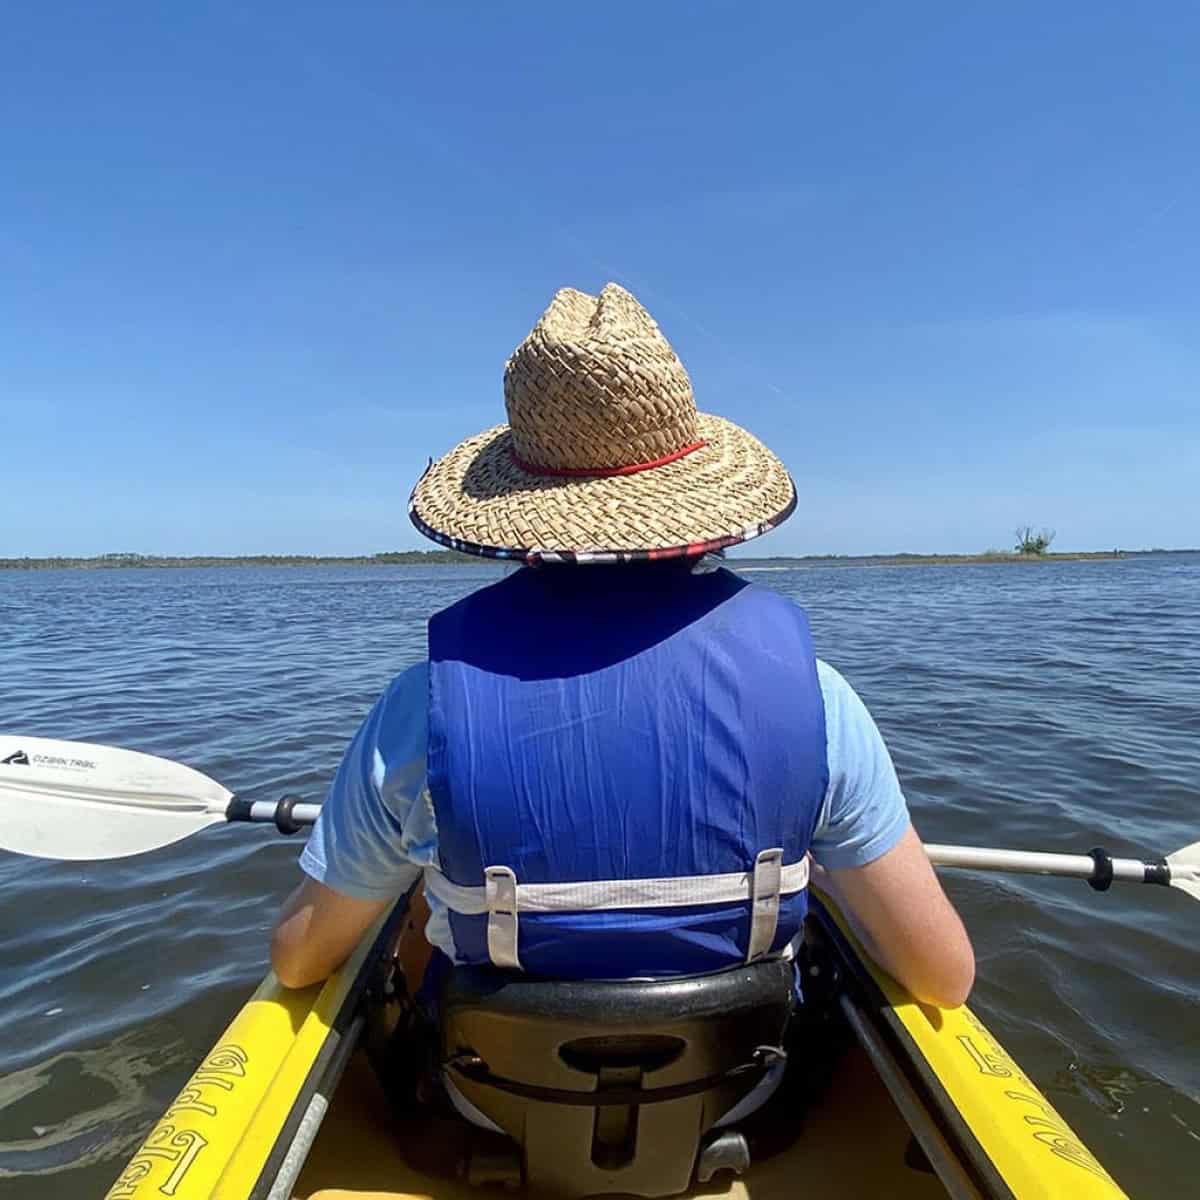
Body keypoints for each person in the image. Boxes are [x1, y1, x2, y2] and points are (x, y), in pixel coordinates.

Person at [270, 283, 974, 1013]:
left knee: (427, 891)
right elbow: (943, 977)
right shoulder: (817, 701)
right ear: (698, 502)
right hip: (741, 1093)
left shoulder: (423, 705)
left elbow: (298, 961)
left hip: (487, 1096)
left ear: (517, 515)